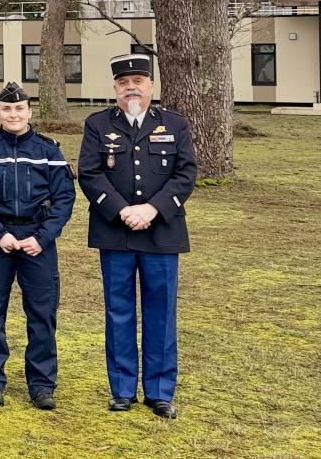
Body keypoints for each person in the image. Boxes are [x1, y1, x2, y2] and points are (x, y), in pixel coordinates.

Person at [78, 53, 196, 419]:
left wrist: (152, 209)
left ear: (151, 86)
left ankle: (160, 392)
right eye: (124, 83)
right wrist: (122, 210)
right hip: (116, 233)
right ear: (115, 88)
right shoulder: (98, 124)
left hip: (162, 232)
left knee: (161, 314)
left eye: (139, 82)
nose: (132, 88)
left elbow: (186, 172)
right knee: (119, 313)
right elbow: (89, 172)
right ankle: (123, 389)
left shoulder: (174, 124)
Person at [0, 82, 75, 410]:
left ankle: (41, 385)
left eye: (19, 108)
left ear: (29, 111)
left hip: (36, 241)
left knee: (42, 314)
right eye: (7, 109)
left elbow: (65, 198)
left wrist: (42, 238)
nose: (13, 114)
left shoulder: (48, 150)